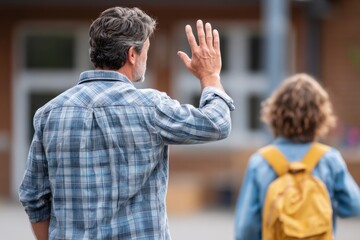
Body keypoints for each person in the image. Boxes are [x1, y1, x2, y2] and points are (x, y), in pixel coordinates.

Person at [19, 6, 235, 240]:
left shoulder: (49, 114)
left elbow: (34, 196)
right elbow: (217, 123)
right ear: (132, 54)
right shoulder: (151, 107)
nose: (146, 59)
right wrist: (210, 76)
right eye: (146, 51)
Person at [234, 73, 360, 240]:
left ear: (274, 113)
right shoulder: (330, 159)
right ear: (321, 116)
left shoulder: (260, 161)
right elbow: (354, 206)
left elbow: (246, 228)